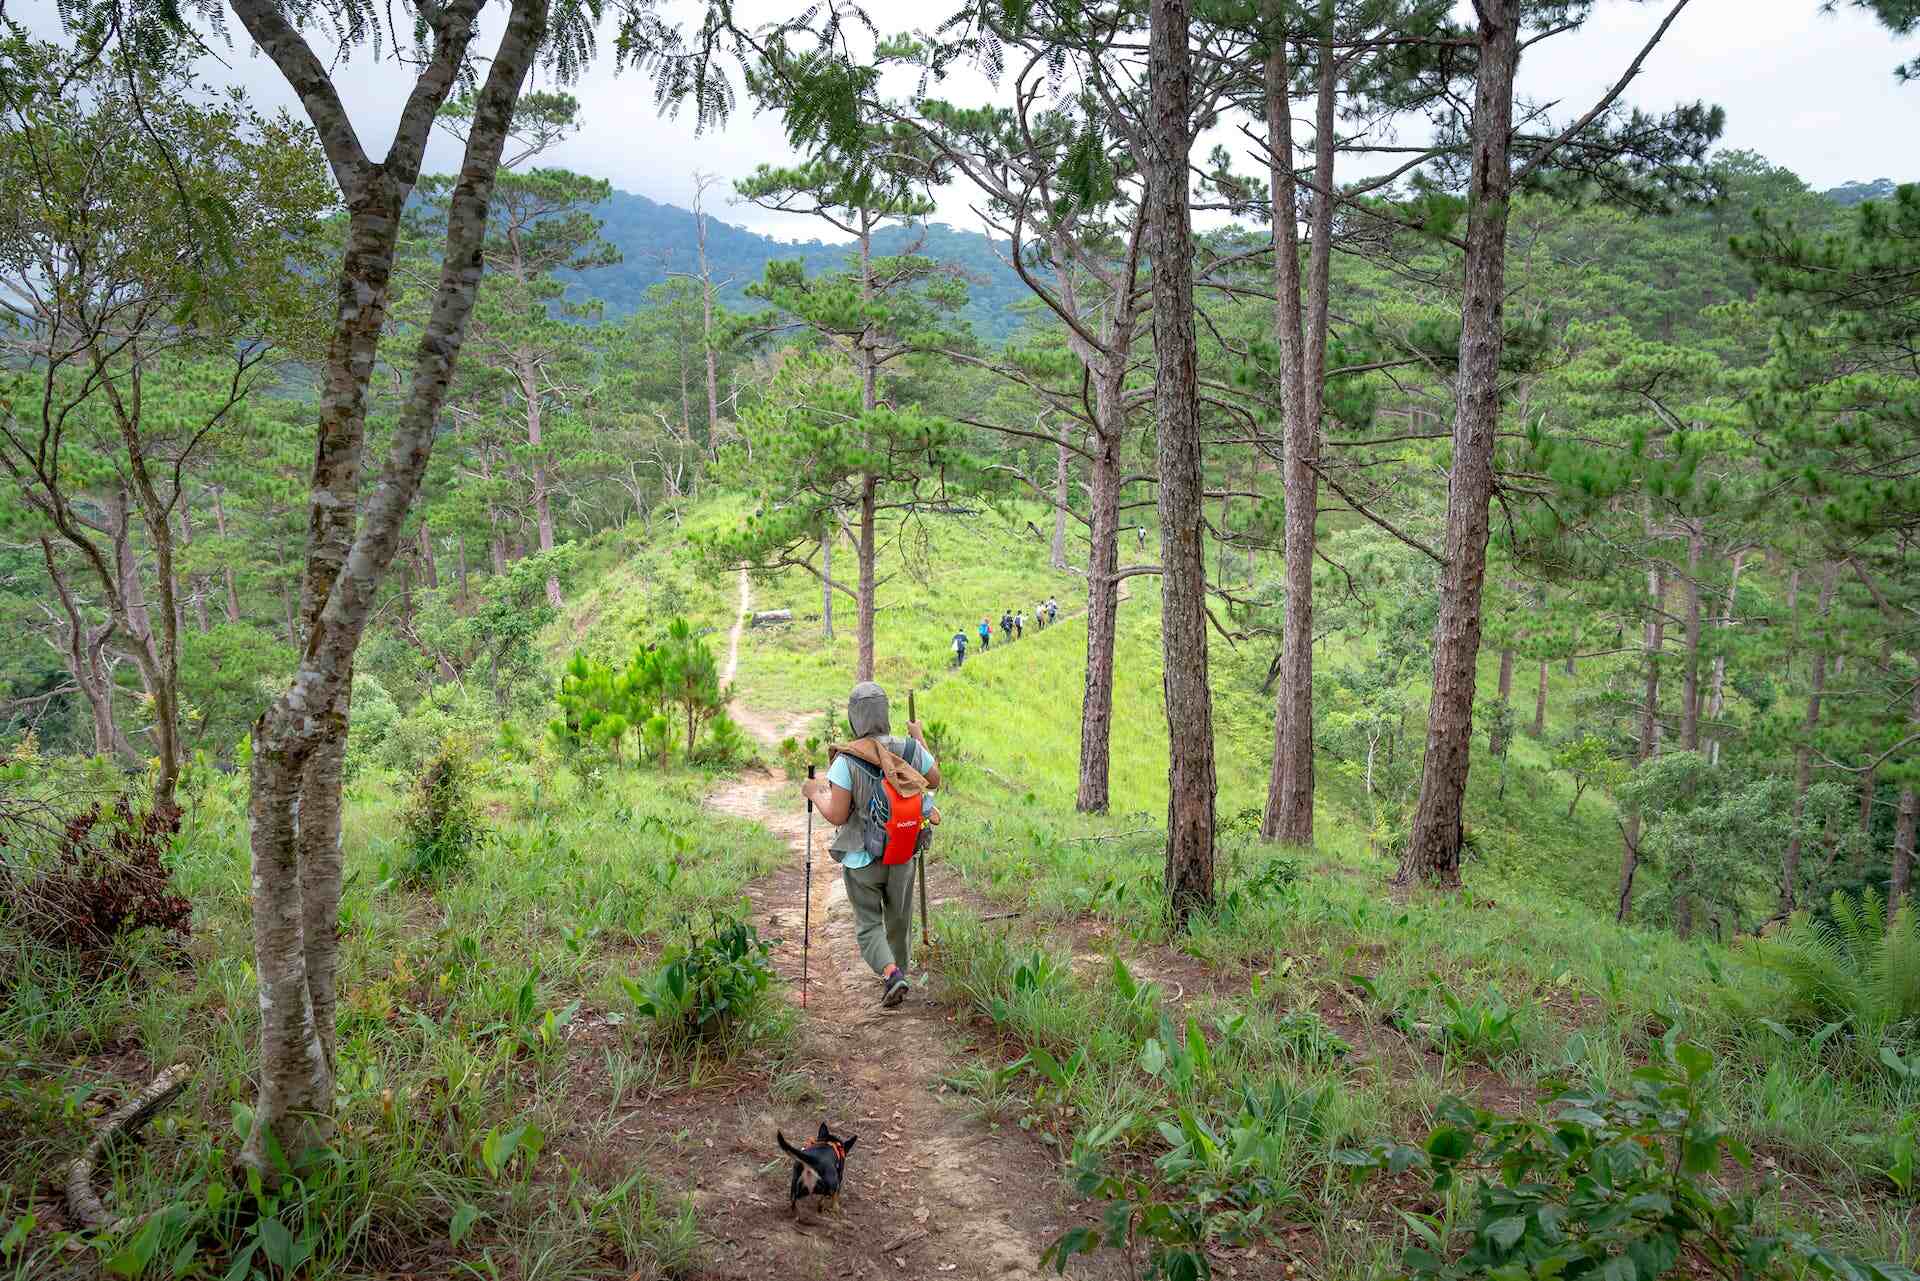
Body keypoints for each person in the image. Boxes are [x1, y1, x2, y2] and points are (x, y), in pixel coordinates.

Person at [799, 682, 940, 1008]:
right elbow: (934, 780)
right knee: (899, 920)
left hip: (862, 860)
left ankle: (891, 974)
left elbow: (836, 814)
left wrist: (814, 792)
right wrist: (918, 737)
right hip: (903, 851)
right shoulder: (908, 749)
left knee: (868, 924)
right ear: (885, 712)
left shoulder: (845, 760)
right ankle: (900, 971)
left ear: (854, 717)